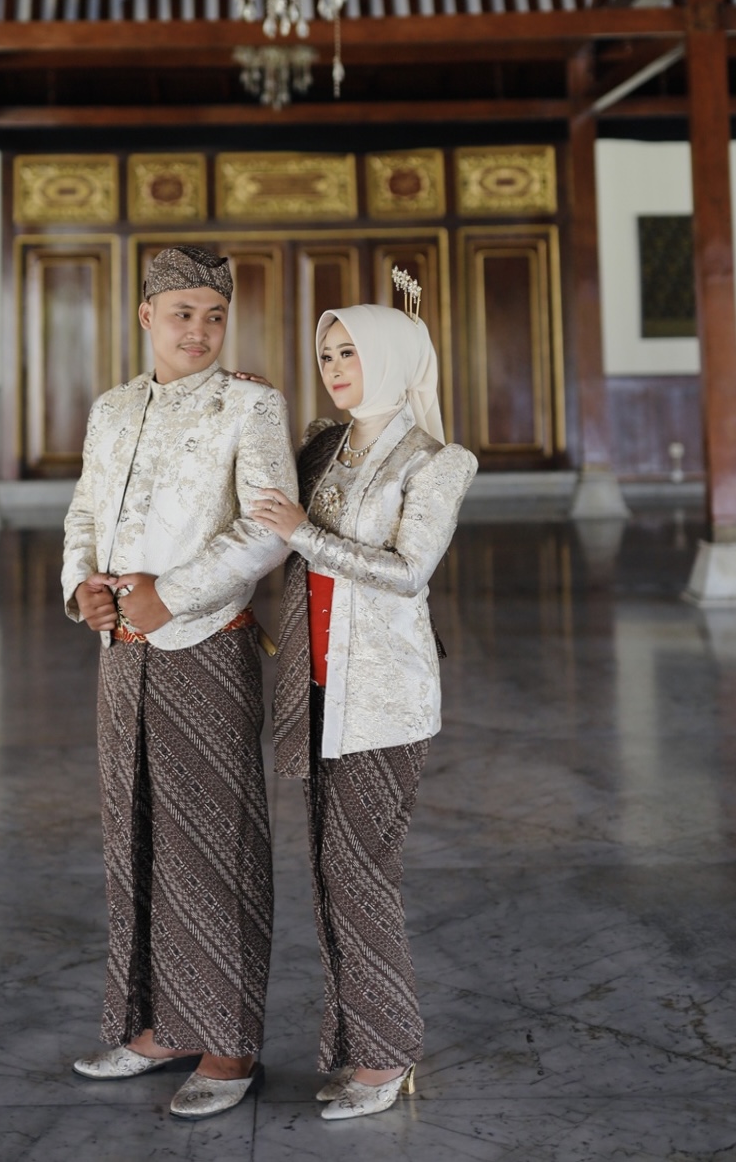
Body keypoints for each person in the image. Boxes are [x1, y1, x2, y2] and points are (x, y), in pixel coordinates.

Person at [62, 245, 297, 1120]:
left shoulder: (251, 404)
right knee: (135, 836)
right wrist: (80, 589)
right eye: (181, 314)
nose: (197, 331)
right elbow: (84, 511)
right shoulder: (113, 408)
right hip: (119, 650)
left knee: (213, 843)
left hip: (205, 645)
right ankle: (161, 1026)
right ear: (146, 317)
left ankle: (229, 1046)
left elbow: (267, 528)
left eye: (213, 315)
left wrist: (174, 592)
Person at [250, 300, 477, 1121]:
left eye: (351, 353)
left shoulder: (438, 461)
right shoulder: (322, 444)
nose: (336, 369)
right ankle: (360, 1048)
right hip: (314, 688)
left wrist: (304, 533)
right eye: (327, 354)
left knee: (358, 873)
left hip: (382, 699)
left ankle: (386, 1054)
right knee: (328, 873)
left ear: (390, 357)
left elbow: (408, 571)